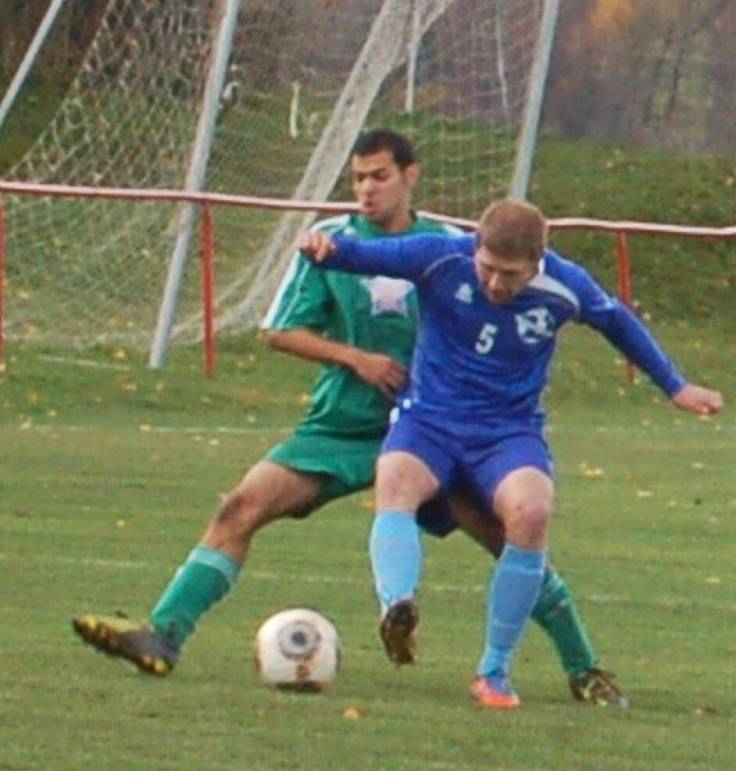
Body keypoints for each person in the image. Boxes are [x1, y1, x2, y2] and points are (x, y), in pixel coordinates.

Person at [73, 129, 627, 707]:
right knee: (241, 506)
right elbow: (277, 331)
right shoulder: (331, 243)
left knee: (511, 536)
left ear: (411, 177)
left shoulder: (452, 250)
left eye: (379, 176)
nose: (366, 189)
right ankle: (164, 634)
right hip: (344, 425)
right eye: (358, 178)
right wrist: (355, 358)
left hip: (435, 433)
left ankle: (583, 666)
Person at [298, 197, 723, 709]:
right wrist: (325, 248)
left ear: (538, 261)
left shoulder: (567, 284)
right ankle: (398, 608)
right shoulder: (440, 256)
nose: (496, 284)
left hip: (507, 432)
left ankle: (493, 672)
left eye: (511, 275)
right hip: (429, 421)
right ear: (474, 247)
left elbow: (619, 324)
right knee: (395, 482)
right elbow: (365, 256)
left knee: (532, 513)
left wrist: (675, 386)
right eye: (488, 269)